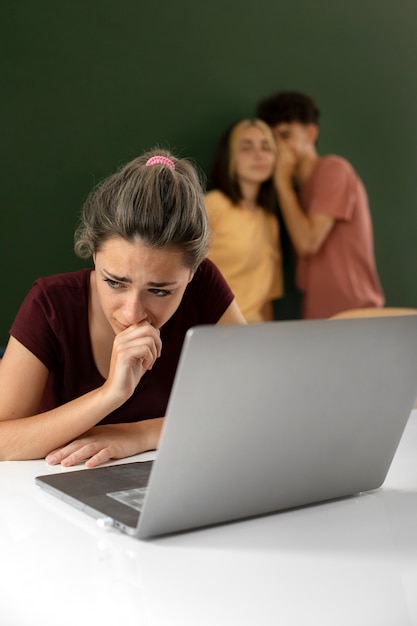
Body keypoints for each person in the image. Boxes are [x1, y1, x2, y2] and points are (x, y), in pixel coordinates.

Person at [0, 150, 246, 467]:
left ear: (192, 273)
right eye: (115, 282)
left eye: (159, 290)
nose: (132, 314)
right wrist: (109, 395)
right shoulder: (51, 303)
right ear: (92, 254)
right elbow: (3, 440)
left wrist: (139, 436)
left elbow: (256, 405)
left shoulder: (205, 287)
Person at [257, 91, 385, 319]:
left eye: (286, 135)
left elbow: (308, 242)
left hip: (355, 314)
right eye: (273, 139)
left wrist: (282, 183)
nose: (279, 147)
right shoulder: (295, 193)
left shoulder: (334, 170)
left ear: (311, 133)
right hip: (318, 316)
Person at [204, 119, 283, 322]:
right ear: (230, 157)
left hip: (255, 333)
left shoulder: (270, 221)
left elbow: (266, 299)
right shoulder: (214, 205)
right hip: (215, 329)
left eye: (266, 148)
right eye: (246, 148)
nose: (259, 155)